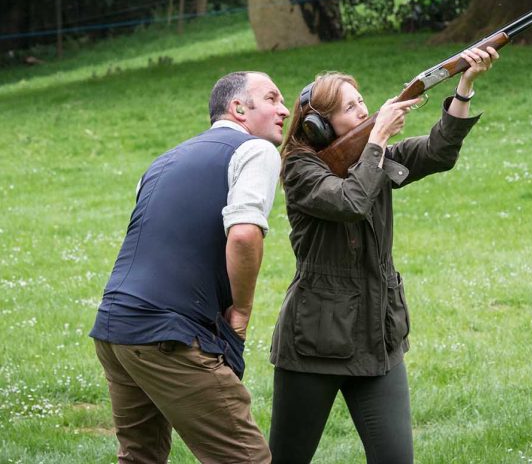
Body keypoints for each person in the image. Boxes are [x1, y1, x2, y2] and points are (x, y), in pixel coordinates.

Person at [269, 47, 498, 464]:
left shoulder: (371, 158)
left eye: (362, 102)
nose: (364, 111)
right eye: (350, 107)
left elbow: (437, 153)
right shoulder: (300, 170)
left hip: (378, 335)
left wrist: (464, 85)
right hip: (314, 342)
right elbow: (350, 201)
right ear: (320, 126)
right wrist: (376, 140)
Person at [90, 71, 289, 464]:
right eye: (272, 98)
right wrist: (241, 313)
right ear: (238, 108)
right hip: (167, 336)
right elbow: (245, 234)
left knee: (140, 457)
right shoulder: (255, 150)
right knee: (246, 458)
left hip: (114, 330)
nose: (285, 109)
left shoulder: (163, 161)